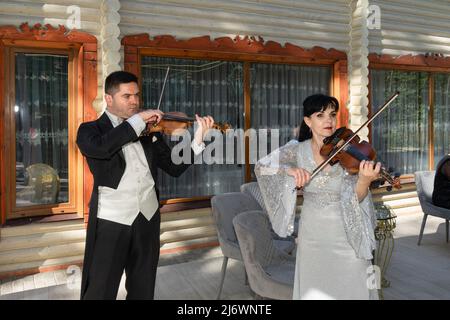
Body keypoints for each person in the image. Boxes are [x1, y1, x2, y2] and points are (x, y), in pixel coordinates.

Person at [76, 71, 214, 300]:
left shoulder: (150, 132)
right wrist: (136, 122)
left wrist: (198, 139)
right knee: (100, 290)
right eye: (126, 96)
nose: (135, 101)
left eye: (137, 95)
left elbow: (174, 168)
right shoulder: (90, 131)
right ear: (109, 99)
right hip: (112, 221)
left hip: (147, 218)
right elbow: (102, 148)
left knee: (143, 287)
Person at [255, 94, 381, 300]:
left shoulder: (349, 151)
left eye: (332, 114)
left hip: (347, 233)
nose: (328, 120)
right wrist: (290, 172)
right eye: (320, 115)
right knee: (314, 288)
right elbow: (262, 166)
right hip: (313, 234)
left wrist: (365, 181)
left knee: (352, 285)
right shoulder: (296, 149)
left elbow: (356, 198)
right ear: (308, 121)